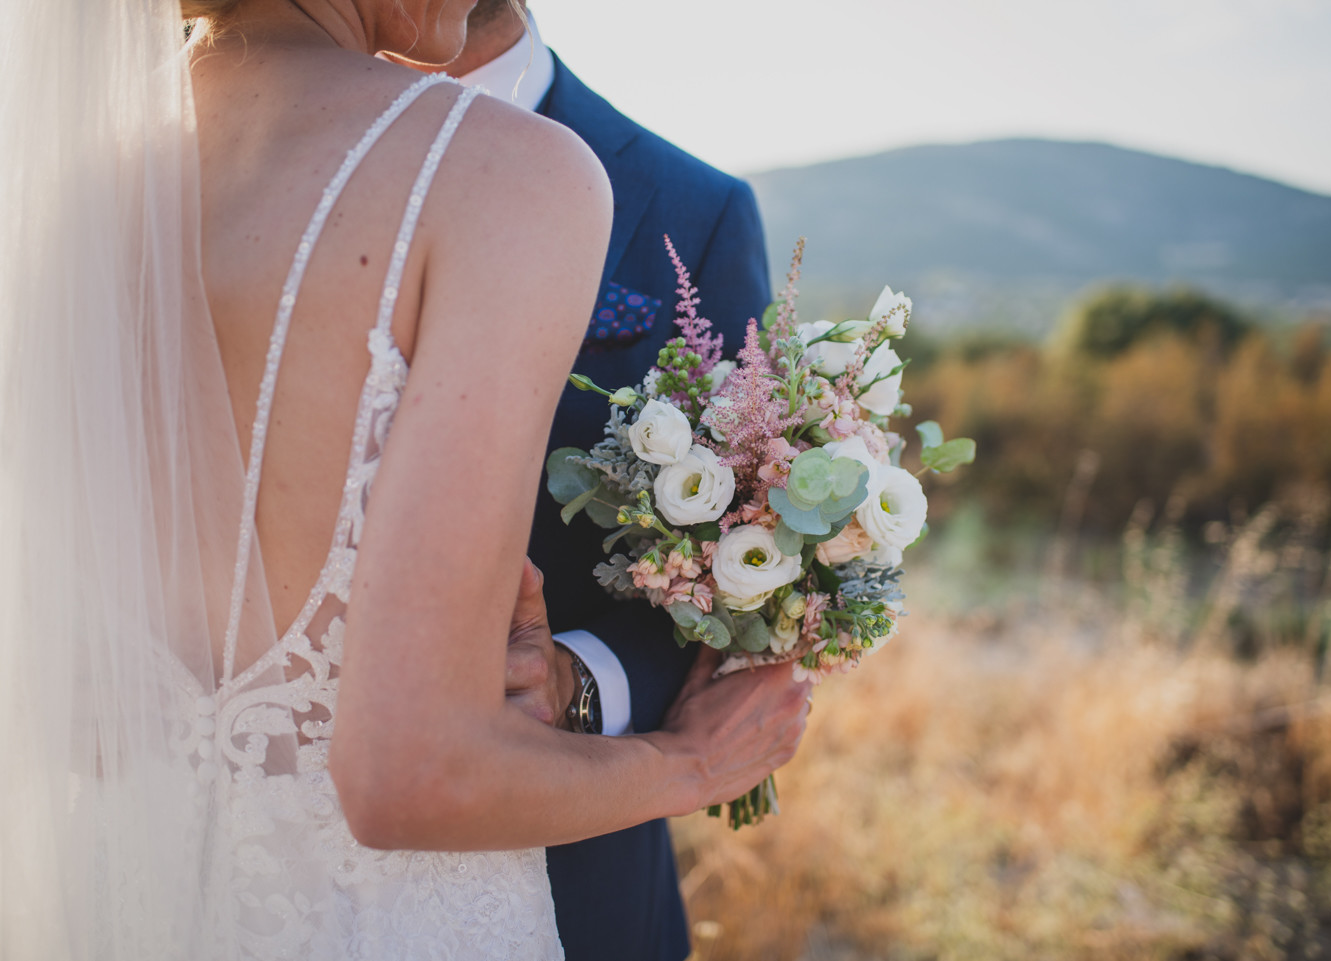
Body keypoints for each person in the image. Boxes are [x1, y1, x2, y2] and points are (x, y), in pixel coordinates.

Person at [0, 0, 809, 957]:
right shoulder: (512, 175)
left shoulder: (53, 181)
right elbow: (408, 774)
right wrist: (691, 763)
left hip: (119, 897)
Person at [416, 5, 773, 959]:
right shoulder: (220, 178)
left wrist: (576, 686)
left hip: (575, 867)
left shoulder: (691, 211)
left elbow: (748, 569)